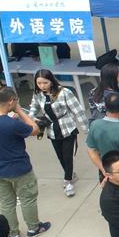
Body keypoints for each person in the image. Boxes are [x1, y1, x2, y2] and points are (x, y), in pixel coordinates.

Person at [0, 88, 50, 237]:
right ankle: (33, 228)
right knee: (27, 199)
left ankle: (13, 233)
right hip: (19, 169)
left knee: (6, 202)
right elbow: (35, 129)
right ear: (11, 101)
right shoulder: (11, 124)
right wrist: (20, 111)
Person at [29, 69, 88, 197]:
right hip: (52, 130)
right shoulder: (38, 94)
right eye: (39, 83)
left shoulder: (65, 92)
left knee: (68, 156)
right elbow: (34, 107)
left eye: (45, 82)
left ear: (51, 80)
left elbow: (78, 111)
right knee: (60, 156)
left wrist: (87, 130)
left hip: (67, 128)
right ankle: (70, 174)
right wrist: (32, 117)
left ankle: (68, 181)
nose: (42, 86)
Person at [86, 93, 119, 181]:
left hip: (105, 171)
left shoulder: (94, 125)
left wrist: (104, 170)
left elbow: (91, 150)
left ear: (105, 106)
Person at [89, 63, 119, 132]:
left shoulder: (93, 92)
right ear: (115, 78)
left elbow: (92, 110)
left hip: (98, 130)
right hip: (115, 132)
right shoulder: (118, 98)